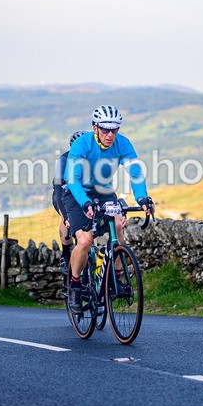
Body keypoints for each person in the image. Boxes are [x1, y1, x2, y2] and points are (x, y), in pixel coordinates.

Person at [63, 106, 153, 313]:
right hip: (77, 193)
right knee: (85, 240)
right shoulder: (82, 144)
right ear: (95, 127)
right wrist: (85, 202)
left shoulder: (123, 143)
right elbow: (73, 180)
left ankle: (117, 279)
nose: (110, 134)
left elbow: (135, 173)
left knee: (118, 225)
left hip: (104, 191)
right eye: (105, 129)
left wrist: (142, 198)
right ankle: (75, 285)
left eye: (115, 129)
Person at [53, 130, 88, 278]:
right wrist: (66, 215)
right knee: (66, 217)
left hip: (82, 194)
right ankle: (66, 253)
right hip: (62, 194)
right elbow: (58, 189)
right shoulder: (64, 159)